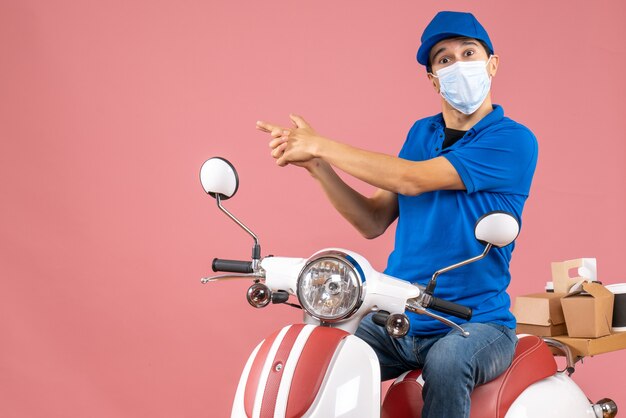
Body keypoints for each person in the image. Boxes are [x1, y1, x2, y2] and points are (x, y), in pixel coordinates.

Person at [256, 11, 537, 418]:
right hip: (402, 313)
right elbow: (372, 220)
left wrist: (320, 145)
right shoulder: (422, 134)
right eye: (444, 59)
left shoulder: (513, 141)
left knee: (448, 363)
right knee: (321, 352)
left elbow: (413, 179)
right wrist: (317, 166)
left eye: (468, 53)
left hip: (477, 323)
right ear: (433, 78)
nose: (458, 64)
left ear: (491, 64)